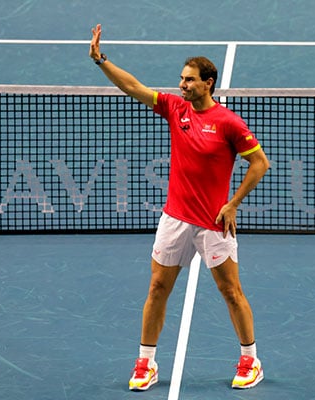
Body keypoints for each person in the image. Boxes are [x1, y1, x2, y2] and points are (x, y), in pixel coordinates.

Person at [89, 24, 270, 391]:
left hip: (213, 224)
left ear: (208, 82)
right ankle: (146, 363)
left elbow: (260, 163)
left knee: (231, 291)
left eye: (188, 80)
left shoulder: (229, 123)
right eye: (181, 79)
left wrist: (233, 204)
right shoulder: (175, 109)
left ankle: (251, 359)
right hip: (174, 220)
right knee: (157, 288)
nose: (181, 85)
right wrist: (101, 61)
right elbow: (133, 86)